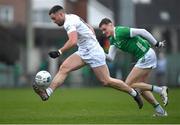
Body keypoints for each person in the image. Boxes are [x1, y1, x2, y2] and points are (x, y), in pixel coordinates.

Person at [33, 5, 143, 109]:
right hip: (83, 51)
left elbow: (73, 41)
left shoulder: (69, 23)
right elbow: (89, 27)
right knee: (64, 68)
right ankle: (47, 93)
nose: (54, 21)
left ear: (61, 14)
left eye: (54, 18)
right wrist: (91, 36)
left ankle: (133, 92)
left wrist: (59, 52)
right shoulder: (72, 16)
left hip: (94, 52)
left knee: (106, 81)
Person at [99, 18, 168, 116]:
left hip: (146, 54)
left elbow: (142, 32)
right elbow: (110, 57)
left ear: (110, 25)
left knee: (128, 84)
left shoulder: (120, 31)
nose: (103, 32)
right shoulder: (112, 39)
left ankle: (161, 90)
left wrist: (156, 43)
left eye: (104, 29)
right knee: (142, 87)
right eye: (102, 30)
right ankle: (160, 111)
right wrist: (98, 52)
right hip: (145, 56)